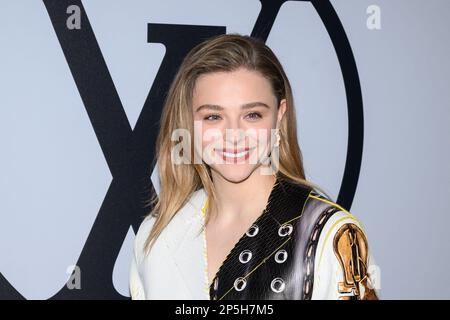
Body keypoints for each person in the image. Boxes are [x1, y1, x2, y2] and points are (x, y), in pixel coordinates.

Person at [129, 33, 380, 300]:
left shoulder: (331, 235)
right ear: (188, 122)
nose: (234, 134)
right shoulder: (156, 235)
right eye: (213, 116)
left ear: (279, 116)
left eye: (252, 115)